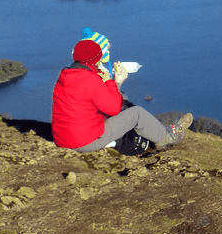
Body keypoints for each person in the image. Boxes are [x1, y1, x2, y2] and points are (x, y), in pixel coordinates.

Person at [52, 38, 192, 152]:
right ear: (95, 60)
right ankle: (168, 136)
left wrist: (106, 82)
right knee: (137, 113)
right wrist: (115, 82)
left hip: (62, 139)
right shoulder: (90, 79)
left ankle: (157, 131)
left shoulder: (65, 75)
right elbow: (113, 109)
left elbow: (86, 101)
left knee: (123, 100)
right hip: (84, 141)